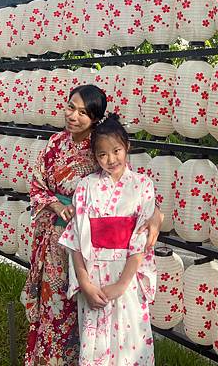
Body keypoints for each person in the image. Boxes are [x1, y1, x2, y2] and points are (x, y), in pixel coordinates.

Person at [21, 84, 163, 366]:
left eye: (83, 113)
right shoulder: (55, 144)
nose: (74, 116)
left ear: (96, 119)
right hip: (59, 236)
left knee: (90, 315)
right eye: (71, 107)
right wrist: (58, 205)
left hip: (95, 246)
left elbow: (132, 195)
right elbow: (37, 184)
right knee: (56, 305)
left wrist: (156, 216)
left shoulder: (100, 145)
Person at [59, 113, 156, 365]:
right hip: (93, 272)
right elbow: (76, 238)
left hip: (127, 273)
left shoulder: (142, 184)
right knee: (95, 344)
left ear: (127, 147)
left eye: (116, 150)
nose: (111, 159)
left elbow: (140, 240)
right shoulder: (86, 185)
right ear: (95, 157)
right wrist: (84, 282)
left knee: (130, 339)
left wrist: (122, 284)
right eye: (102, 155)